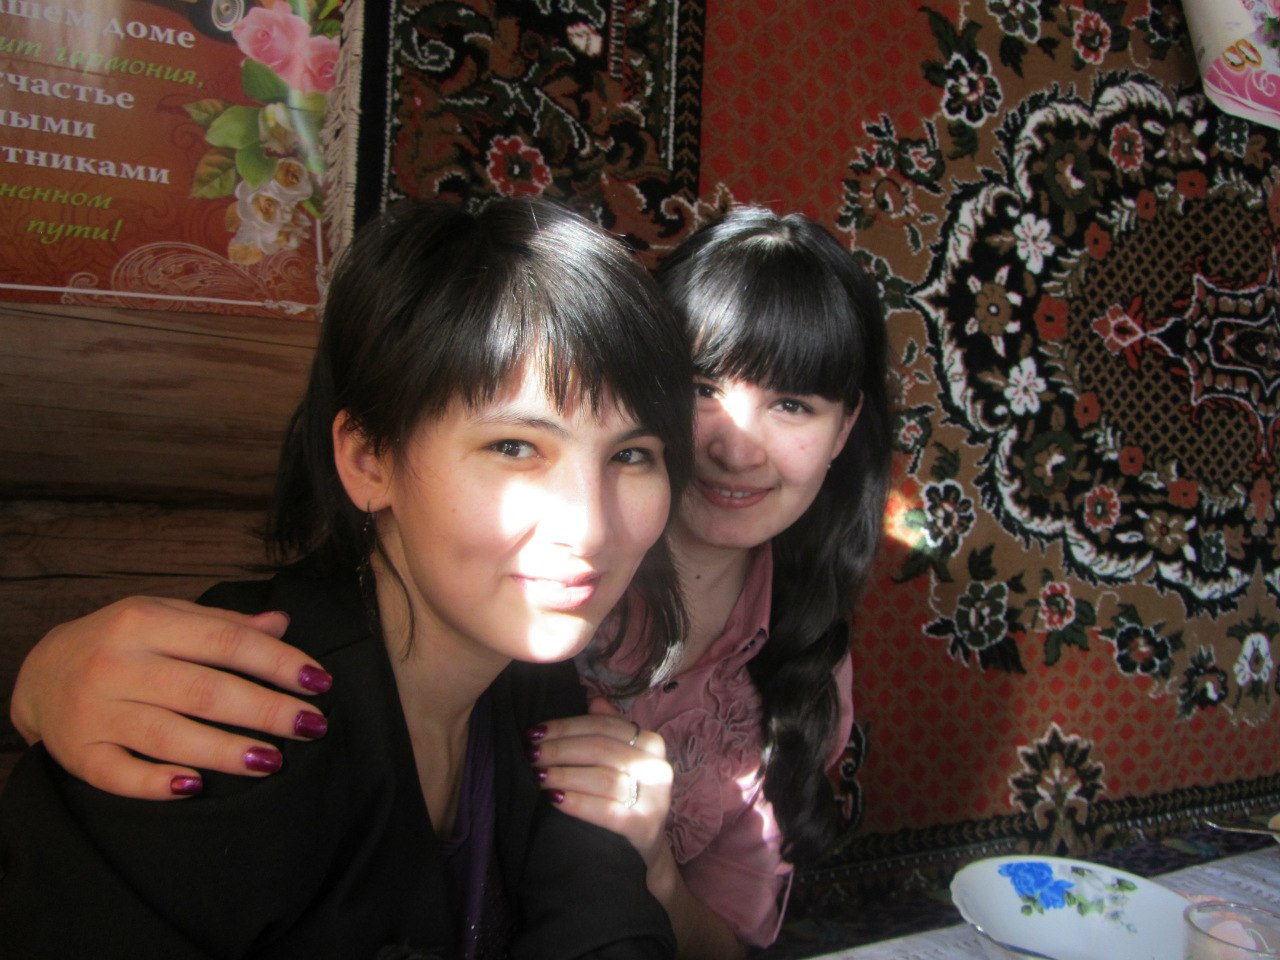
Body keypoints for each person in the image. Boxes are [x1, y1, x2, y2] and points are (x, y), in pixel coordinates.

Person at [9, 207, 892, 958]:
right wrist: (40, 677)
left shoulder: (542, 691)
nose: (588, 526)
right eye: (515, 447)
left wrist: (651, 864)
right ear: (369, 458)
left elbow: (607, 924)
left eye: (630, 455)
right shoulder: (228, 721)